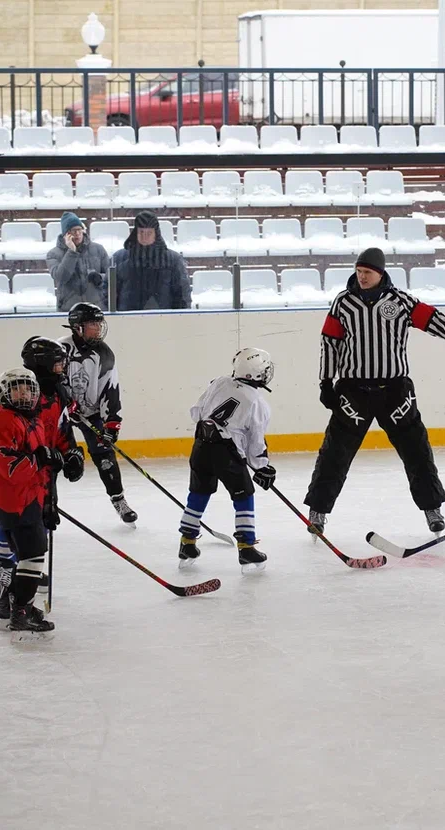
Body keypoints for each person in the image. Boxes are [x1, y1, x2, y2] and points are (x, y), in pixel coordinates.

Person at [305, 247, 445, 534]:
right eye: (358, 272)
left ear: (381, 273)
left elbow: (435, 321)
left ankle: (432, 509)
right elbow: (330, 343)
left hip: (395, 391)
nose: (361, 277)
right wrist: (325, 382)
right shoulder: (342, 303)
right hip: (353, 392)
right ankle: (318, 512)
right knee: (335, 453)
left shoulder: (400, 301)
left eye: (367, 273)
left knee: (417, 450)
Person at [0, 337, 85, 619]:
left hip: (43, 472)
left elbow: (60, 430)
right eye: (57, 364)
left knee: (38, 521)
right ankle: (5, 569)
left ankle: (24, 572)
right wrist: (41, 459)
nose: (62, 369)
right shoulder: (23, 400)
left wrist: (72, 454)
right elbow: (14, 454)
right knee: (13, 525)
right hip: (21, 477)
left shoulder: (57, 393)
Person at [178, 347, 276, 574]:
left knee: (199, 493)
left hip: (201, 447)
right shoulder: (257, 402)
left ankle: (187, 544)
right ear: (256, 374)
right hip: (226, 454)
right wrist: (262, 467)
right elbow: (256, 442)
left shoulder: (220, 382)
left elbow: (196, 412)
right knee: (244, 496)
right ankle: (246, 548)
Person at [0, 368, 62, 635]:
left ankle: (12, 608)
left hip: (29, 497)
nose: (24, 394)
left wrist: (48, 497)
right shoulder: (3, 421)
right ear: (5, 392)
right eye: (17, 389)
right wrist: (40, 459)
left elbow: (38, 458)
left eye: (29, 389)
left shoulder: (32, 420)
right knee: (33, 554)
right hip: (14, 501)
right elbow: (10, 468)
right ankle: (21, 612)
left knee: (27, 555)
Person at [59, 302, 137, 524]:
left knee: (104, 455)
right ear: (78, 327)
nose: (98, 328)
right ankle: (43, 502)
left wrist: (112, 423)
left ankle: (119, 500)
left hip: (91, 413)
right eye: (93, 324)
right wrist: (64, 402)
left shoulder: (104, 353)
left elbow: (111, 389)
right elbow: (51, 381)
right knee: (54, 457)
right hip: (61, 414)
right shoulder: (60, 349)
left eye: (98, 323)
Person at [114, 210, 191, 311]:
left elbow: (182, 294)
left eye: (149, 233)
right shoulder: (120, 258)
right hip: (127, 319)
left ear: (156, 233)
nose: (144, 236)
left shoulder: (173, 260)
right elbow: (109, 293)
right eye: (141, 232)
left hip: (164, 320)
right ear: (135, 232)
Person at [47, 211, 111, 312]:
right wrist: (72, 252)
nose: (77, 234)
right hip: (68, 309)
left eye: (79, 230)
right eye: (73, 231)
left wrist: (99, 277)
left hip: (96, 307)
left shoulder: (98, 249)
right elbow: (61, 277)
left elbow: (111, 276)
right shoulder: (53, 254)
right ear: (66, 234)